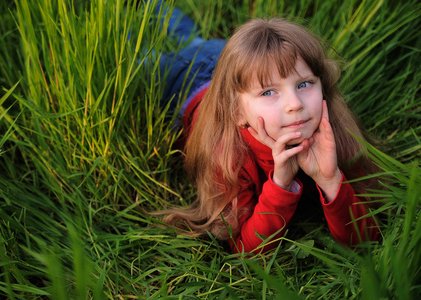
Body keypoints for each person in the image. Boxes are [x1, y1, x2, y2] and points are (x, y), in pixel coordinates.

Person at [153, 2, 379, 253]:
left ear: (322, 85)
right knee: (145, 59)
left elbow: (367, 239)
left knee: (194, 41)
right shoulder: (227, 152)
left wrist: (331, 179)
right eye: (269, 92)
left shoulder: (334, 132)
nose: (295, 104)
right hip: (185, 81)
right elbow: (243, 248)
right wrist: (280, 183)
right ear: (237, 112)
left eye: (304, 84)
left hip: (235, 64)